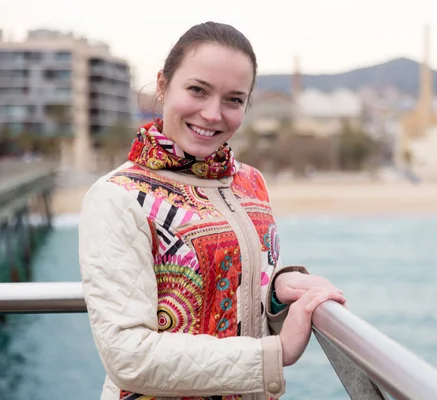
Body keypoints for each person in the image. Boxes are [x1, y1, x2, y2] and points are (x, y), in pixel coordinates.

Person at [78, 21, 346, 400]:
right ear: (162, 84)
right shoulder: (118, 196)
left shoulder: (249, 182)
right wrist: (276, 354)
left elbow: (230, 291)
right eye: (197, 90)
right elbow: (128, 356)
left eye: (233, 99)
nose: (212, 114)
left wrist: (276, 291)